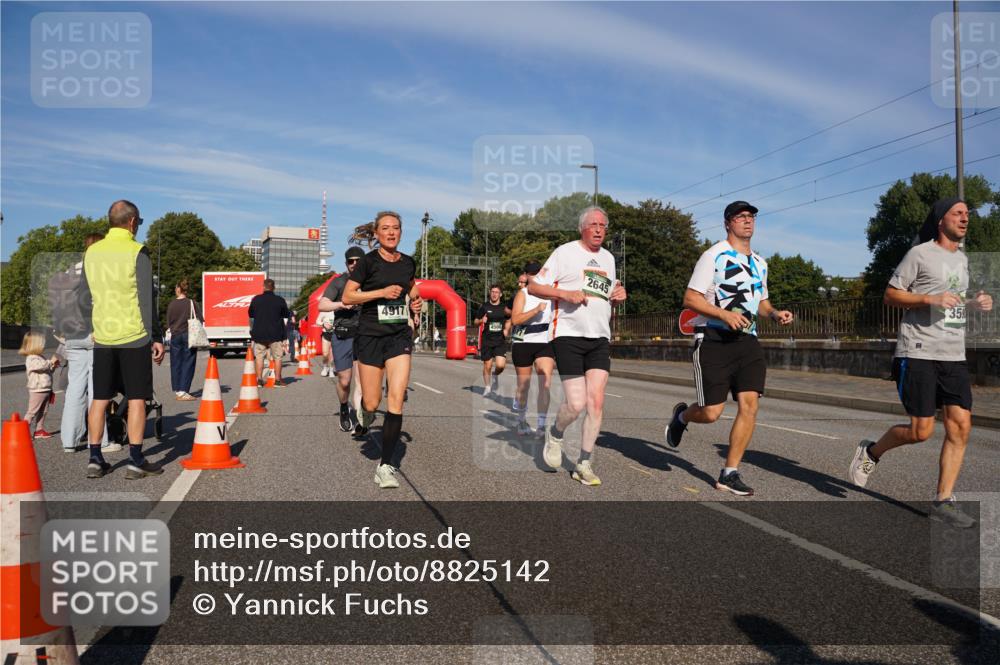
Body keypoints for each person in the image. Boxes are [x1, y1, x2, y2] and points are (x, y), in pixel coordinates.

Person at [848, 197, 993, 527]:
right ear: (941, 220)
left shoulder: (964, 261)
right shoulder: (920, 253)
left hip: (953, 355)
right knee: (921, 430)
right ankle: (871, 452)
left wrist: (972, 304)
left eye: (967, 214)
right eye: (957, 213)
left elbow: (951, 308)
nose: (965, 218)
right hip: (918, 351)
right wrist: (929, 298)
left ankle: (943, 500)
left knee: (961, 426)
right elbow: (891, 295)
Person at [664, 201, 793, 497]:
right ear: (728, 223)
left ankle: (729, 472)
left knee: (750, 405)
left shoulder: (760, 263)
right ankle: (682, 417)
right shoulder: (713, 256)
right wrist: (723, 314)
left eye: (751, 217)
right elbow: (691, 298)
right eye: (741, 217)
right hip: (713, 339)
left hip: (747, 342)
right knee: (711, 413)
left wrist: (774, 314)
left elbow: (760, 300)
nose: (748, 222)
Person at [529, 206, 627, 486]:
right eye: (593, 224)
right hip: (568, 336)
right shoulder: (565, 252)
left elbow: (609, 292)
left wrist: (619, 294)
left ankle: (584, 463)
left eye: (603, 225)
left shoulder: (608, 258)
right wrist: (565, 294)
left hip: (599, 337)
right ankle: (556, 433)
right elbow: (535, 287)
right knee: (576, 403)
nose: (598, 229)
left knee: (596, 402)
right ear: (582, 228)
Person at [82, 200, 165, 480]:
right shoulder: (137, 252)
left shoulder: (92, 253)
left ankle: (95, 458)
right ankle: (135, 459)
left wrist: (93, 323)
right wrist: (156, 336)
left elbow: (84, 296)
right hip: (133, 335)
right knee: (138, 398)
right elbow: (145, 299)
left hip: (103, 336)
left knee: (100, 398)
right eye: (139, 224)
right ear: (132, 222)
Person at [342, 211, 422, 489]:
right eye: (385, 228)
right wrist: (379, 293)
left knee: (396, 399)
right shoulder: (367, 263)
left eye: (396, 228)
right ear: (376, 234)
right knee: (372, 402)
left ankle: (385, 466)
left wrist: (415, 303)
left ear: (401, 232)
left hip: (398, 336)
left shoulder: (408, 263)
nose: (391, 232)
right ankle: (365, 412)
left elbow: (412, 289)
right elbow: (348, 296)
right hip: (370, 336)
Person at [53, 232, 112, 452]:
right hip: (95, 332)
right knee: (98, 389)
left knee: (75, 388)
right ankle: (101, 440)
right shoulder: (101, 268)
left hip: (72, 333)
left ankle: (69, 441)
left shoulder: (72, 269)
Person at [318, 246, 366, 433]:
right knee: (345, 381)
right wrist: (341, 304)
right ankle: (344, 407)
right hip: (343, 334)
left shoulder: (371, 282)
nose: (354, 264)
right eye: (350, 261)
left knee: (362, 383)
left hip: (364, 335)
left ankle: (362, 420)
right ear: (346, 263)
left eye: (358, 261)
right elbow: (322, 304)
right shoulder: (339, 282)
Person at [510, 263, 555, 438]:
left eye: (538, 273)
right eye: (532, 274)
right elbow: (515, 319)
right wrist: (536, 310)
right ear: (526, 276)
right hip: (524, 342)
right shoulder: (523, 294)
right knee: (524, 385)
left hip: (545, 341)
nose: (535, 276)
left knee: (545, 382)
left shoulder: (550, 292)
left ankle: (542, 425)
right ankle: (521, 420)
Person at [249, 278, 291, 387]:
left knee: (259, 357)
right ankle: (277, 380)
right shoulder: (280, 300)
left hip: (259, 333)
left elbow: (251, 314)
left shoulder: (256, 299)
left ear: (263, 287)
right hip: (275, 334)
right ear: (274, 288)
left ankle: (259, 380)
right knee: (277, 357)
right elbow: (286, 314)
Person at [165, 279, 202, 401]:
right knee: (188, 362)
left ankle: (177, 389)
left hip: (175, 335)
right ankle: (183, 390)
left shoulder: (172, 304)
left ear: (178, 289)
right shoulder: (192, 303)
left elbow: (168, 322)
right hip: (188, 335)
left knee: (175, 362)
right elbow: (200, 319)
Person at [20, 331, 60, 440]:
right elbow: (40, 366)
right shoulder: (31, 358)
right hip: (37, 389)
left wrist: (53, 367)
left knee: (44, 411)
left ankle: (39, 430)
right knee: (32, 411)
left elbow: (47, 370)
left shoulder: (40, 357)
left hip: (46, 388)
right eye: (42, 344)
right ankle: (23, 431)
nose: (43, 346)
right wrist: (50, 362)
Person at [474, 284, 510, 397]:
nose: (494, 294)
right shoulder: (484, 306)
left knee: (500, 365)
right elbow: (475, 322)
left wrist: (507, 330)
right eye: (492, 292)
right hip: (487, 340)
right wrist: (481, 320)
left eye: (497, 292)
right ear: (490, 293)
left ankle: (495, 375)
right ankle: (488, 387)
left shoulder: (504, 308)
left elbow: (510, 319)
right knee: (487, 365)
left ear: (501, 294)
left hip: (500, 340)